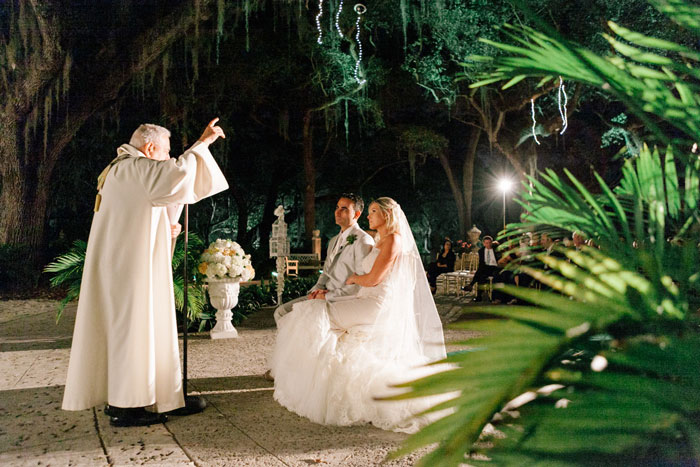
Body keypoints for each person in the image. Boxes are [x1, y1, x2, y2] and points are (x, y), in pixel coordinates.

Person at [62, 119, 228, 427]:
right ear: (149, 148)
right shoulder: (133, 168)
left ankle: (161, 397)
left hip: (128, 267)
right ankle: (125, 407)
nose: (167, 158)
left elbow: (143, 209)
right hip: (127, 274)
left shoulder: (123, 170)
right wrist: (203, 143)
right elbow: (177, 174)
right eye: (164, 152)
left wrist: (166, 227)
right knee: (132, 332)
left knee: (145, 330)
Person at [269, 197, 448, 432]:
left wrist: (354, 279)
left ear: (387, 215)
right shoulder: (379, 240)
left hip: (374, 303)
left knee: (313, 315)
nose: (369, 216)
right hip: (363, 299)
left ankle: (307, 382)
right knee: (313, 316)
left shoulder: (393, 240)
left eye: (374, 211)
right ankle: (311, 380)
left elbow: (374, 279)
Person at [272, 194, 374, 323]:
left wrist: (327, 296)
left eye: (344, 209)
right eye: (337, 207)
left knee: (286, 315)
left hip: (340, 299)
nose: (337, 211)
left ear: (357, 214)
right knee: (281, 312)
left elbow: (360, 283)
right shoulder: (333, 241)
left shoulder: (363, 240)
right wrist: (315, 291)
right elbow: (326, 272)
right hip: (322, 295)